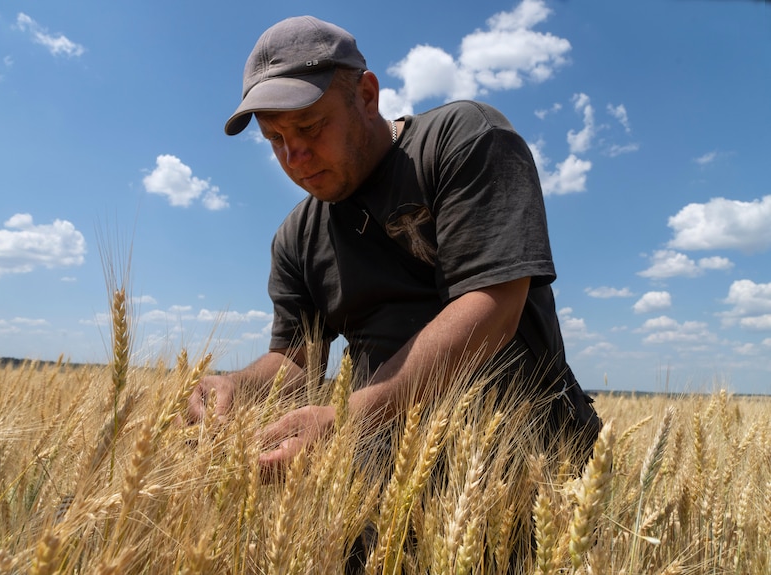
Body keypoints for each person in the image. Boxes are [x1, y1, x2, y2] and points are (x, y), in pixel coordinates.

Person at [188, 16, 600, 472]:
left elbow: (493, 307)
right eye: (275, 139)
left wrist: (348, 419)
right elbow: (298, 362)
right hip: (383, 492)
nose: (293, 156)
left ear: (366, 96)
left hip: (528, 468)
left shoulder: (462, 141)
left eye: (309, 127)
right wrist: (235, 387)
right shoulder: (296, 238)